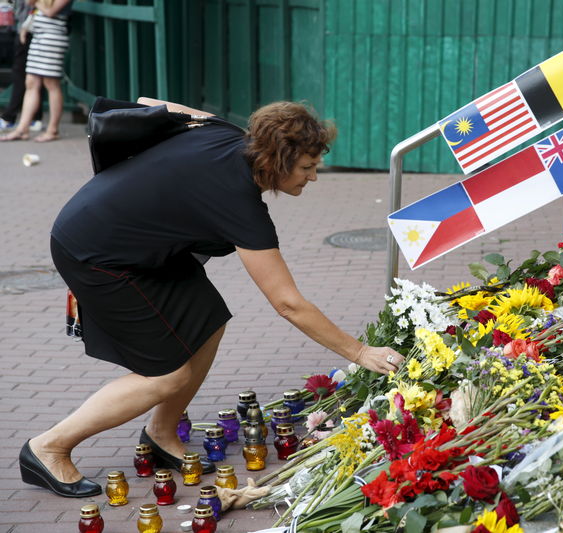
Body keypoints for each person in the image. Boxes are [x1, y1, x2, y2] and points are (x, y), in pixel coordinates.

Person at [19, 99, 404, 498]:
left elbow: (153, 103)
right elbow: (287, 302)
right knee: (167, 374)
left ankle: (161, 433)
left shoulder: (226, 132)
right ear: (277, 159)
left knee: (206, 322)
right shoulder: (238, 197)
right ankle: (48, 447)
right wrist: (360, 352)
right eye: (307, 167)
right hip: (97, 254)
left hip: (136, 241)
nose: (313, 177)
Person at [1, 0, 72, 142]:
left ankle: (53, 130)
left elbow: (51, 11)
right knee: (31, 82)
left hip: (52, 37)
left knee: (51, 83)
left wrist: (35, 2)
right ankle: (22, 129)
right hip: (38, 37)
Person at [0, 0, 44, 131]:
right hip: (28, 29)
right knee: (33, 78)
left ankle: (11, 118)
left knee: (26, 75)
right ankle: (33, 118)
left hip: (31, 30)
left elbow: (32, 4)